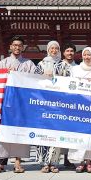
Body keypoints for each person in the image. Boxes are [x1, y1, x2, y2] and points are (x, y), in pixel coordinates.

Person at [0, 36, 36, 173]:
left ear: (23, 47)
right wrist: (6, 74)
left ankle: (18, 161)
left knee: (19, 131)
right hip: (6, 101)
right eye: (15, 45)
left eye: (20, 45)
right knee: (4, 131)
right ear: (10, 46)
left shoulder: (29, 64)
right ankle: (1, 162)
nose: (17, 48)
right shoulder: (3, 63)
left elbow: (36, 80)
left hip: (22, 102)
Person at [68, 47, 91, 173]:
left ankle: (89, 162)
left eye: (89, 55)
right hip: (77, 106)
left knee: (90, 135)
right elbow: (69, 85)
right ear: (82, 56)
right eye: (85, 55)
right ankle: (80, 162)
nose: (87, 57)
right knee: (78, 134)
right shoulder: (75, 69)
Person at [35, 41, 62, 173]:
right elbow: (33, 81)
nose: (54, 50)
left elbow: (68, 81)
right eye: (52, 48)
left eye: (56, 48)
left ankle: (54, 162)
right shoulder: (41, 64)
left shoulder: (63, 65)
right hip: (43, 103)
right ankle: (44, 163)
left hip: (59, 104)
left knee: (56, 133)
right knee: (43, 132)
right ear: (48, 49)